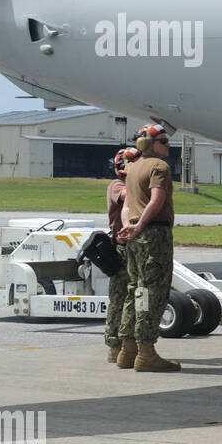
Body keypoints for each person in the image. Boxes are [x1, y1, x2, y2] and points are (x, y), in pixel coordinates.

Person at [117, 124, 180, 372]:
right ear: (149, 144)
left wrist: (129, 227)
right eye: (164, 141)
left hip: (135, 235)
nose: (168, 145)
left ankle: (127, 349)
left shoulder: (132, 169)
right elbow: (156, 201)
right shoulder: (159, 167)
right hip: (154, 234)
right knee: (153, 292)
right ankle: (146, 352)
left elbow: (127, 206)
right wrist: (141, 225)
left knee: (136, 291)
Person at [104, 146, 139, 363]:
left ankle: (129, 342)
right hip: (121, 247)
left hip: (135, 247)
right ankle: (115, 345)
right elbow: (128, 196)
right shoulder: (117, 186)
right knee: (119, 297)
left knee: (134, 297)